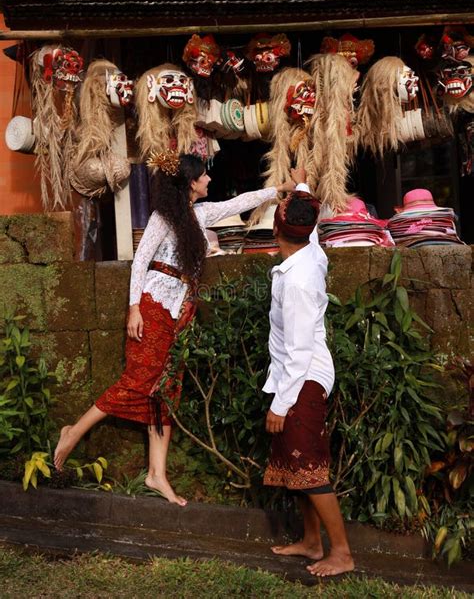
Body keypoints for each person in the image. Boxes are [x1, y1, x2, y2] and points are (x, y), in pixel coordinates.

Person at [54, 152, 300, 506]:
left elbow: (239, 201)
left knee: (166, 388)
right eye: (204, 176)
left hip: (180, 310)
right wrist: (134, 307)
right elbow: (141, 260)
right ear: (190, 182)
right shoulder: (162, 218)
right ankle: (72, 433)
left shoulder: (199, 215)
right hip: (154, 304)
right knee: (138, 380)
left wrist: (280, 189)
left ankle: (157, 474)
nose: (210, 180)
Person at [262, 172, 354, 576]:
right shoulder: (310, 254)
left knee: (311, 471)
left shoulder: (298, 280)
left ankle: (343, 555)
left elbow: (298, 353)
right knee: (297, 470)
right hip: (298, 377)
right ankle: (313, 543)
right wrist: (301, 188)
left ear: (277, 230)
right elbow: (310, 229)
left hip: (303, 380)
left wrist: (281, 404)